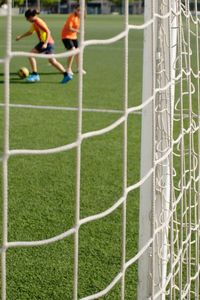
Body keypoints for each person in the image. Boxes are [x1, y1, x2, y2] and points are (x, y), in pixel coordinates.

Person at [16, 8, 72, 84]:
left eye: (27, 18)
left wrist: (45, 43)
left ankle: (35, 75)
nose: (27, 20)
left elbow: (48, 31)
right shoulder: (35, 22)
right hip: (46, 42)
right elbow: (30, 32)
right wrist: (20, 36)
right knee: (52, 61)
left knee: (31, 55)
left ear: (31, 16)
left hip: (47, 43)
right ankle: (66, 75)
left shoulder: (38, 22)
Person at [61, 4, 86, 76]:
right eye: (78, 10)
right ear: (75, 10)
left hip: (73, 36)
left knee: (78, 52)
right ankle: (68, 68)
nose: (80, 12)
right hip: (66, 36)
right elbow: (69, 28)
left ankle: (79, 68)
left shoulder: (79, 17)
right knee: (72, 51)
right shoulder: (71, 17)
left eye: (81, 10)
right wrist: (79, 31)